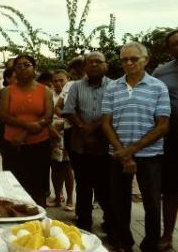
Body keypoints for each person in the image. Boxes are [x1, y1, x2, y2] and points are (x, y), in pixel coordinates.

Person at [101, 42, 170, 252]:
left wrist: (129, 151)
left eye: (134, 59)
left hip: (150, 156)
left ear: (146, 60)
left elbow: (163, 126)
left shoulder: (158, 87)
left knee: (151, 203)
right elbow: (106, 123)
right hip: (118, 155)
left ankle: (150, 245)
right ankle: (124, 243)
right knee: (119, 203)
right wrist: (124, 154)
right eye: (124, 59)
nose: (128, 63)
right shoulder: (112, 87)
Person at [62, 52, 115, 235]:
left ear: (106, 66)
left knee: (105, 187)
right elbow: (68, 110)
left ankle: (110, 224)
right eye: (89, 62)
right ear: (84, 67)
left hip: (107, 146)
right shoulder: (76, 86)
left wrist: (92, 128)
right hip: (80, 145)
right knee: (83, 185)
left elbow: (116, 112)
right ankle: (84, 224)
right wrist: (84, 130)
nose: (93, 65)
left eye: (98, 62)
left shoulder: (116, 86)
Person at [0, 55, 53, 207]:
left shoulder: (45, 91)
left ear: (34, 68)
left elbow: (48, 116)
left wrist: (24, 132)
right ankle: (15, 219)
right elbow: (3, 115)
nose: (23, 68)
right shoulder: (7, 91)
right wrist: (28, 126)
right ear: (14, 71)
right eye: (18, 66)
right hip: (13, 144)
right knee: (14, 185)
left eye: (27, 64)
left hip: (39, 144)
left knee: (38, 187)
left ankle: (39, 220)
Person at [152, 28, 178, 251]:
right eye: (176, 43)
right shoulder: (161, 73)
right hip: (174, 143)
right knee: (171, 191)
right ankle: (167, 235)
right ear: (170, 49)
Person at [48, 69, 74, 212]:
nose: (58, 83)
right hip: (52, 137)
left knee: (67, 169)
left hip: (68, 134)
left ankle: (70, 199)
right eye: (55, 80)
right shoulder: (49, 96)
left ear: (68, 80)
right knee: (55, 168)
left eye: (61, 80)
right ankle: (57, 197)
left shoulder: (71, 94)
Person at [0, 67, 16, 168]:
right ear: (7, 79)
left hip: (25, 133)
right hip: (5, 132)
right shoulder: (0, 94)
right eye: (15, 77)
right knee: (8, 163)